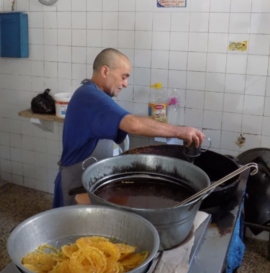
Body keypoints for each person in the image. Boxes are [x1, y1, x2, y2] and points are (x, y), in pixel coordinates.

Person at [53, 48, 205, 208]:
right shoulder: (91, 97)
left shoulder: (93, 94)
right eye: (123, 77)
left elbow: (130, 120)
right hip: (75, 188)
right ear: (105, 71)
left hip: (87, 183)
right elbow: (133, 124)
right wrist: (180, 132)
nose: (125, 84)